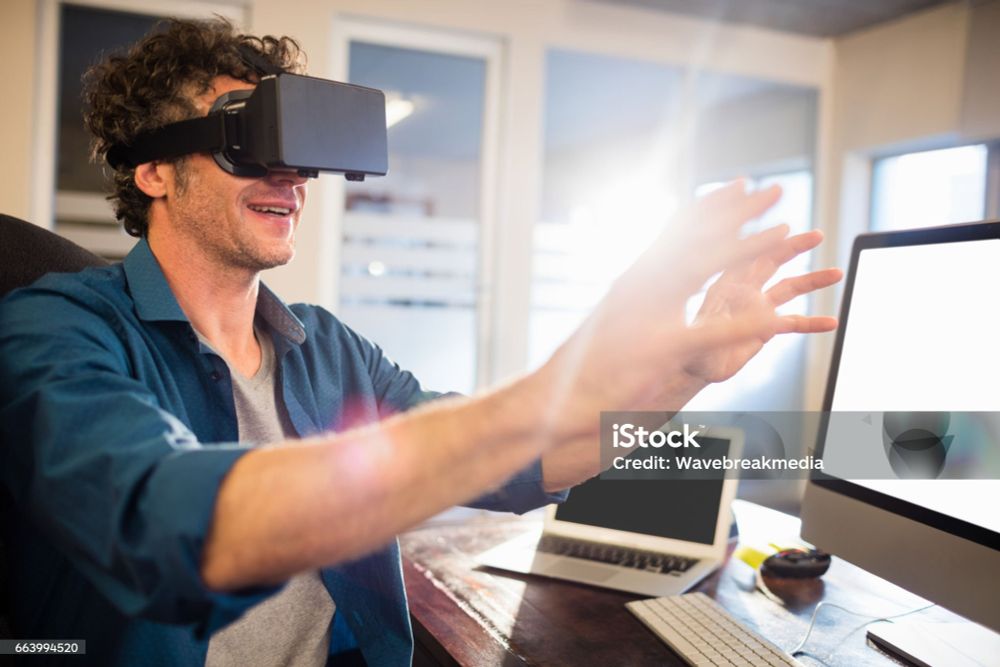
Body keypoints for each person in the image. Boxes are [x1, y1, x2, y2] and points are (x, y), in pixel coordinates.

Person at [0, 17, 841, 667]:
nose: (291, 178)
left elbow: (524, 463)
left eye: (301, 150)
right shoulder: (56, 329)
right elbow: (167, 526)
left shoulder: (325, 348)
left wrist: (680, 377)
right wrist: (544, 389)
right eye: (249, 140)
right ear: (153, 171)